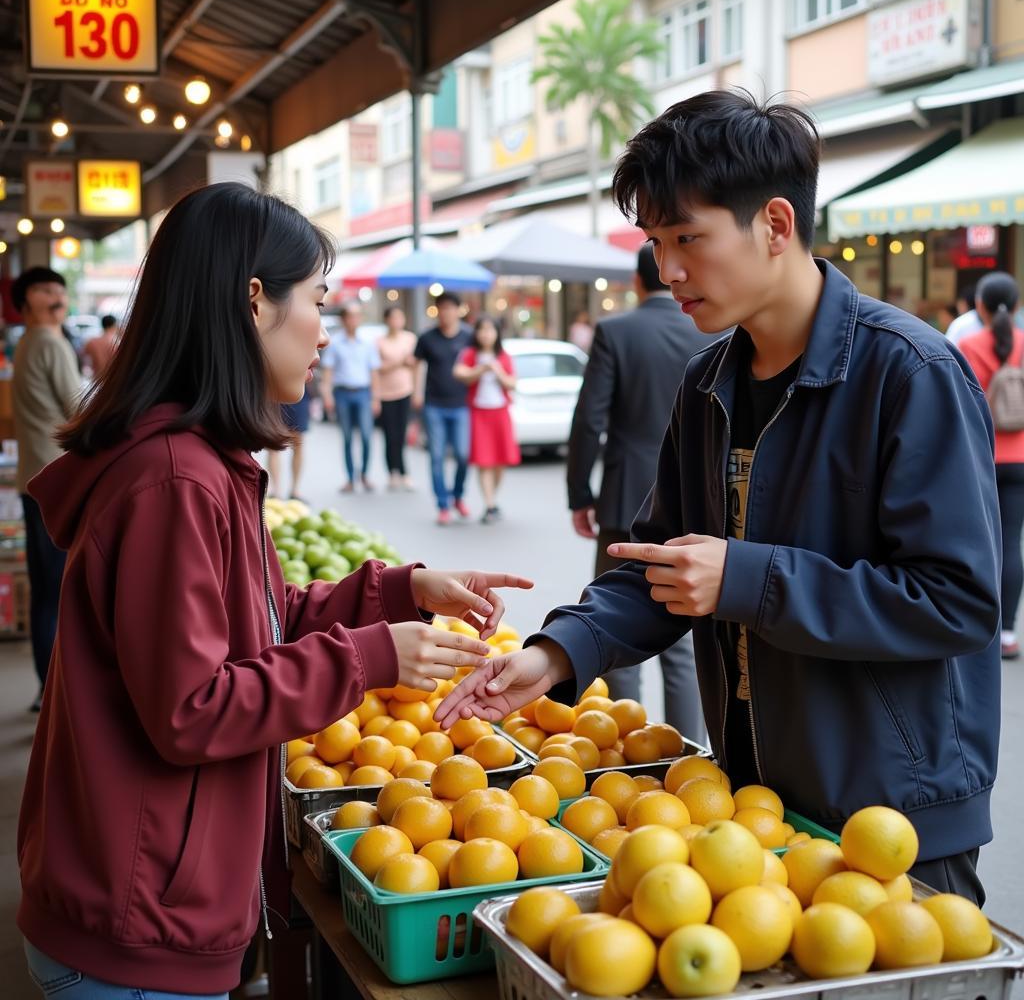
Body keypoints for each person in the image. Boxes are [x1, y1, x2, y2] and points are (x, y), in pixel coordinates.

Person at [438, 90, 1001, 906]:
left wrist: (748, 578)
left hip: (894, 825)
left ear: (775, 224)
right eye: (657, 242)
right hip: (748, 811)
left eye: (688, 239)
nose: (667, 270)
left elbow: (958, 602)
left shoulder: (909, 374)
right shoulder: (706, 382)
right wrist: (558, 655)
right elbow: (657, 566)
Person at [16, 182, 532, 999]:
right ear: (254, 301)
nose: (326, 334)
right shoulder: (175, 479)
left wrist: (402, 591)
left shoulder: (202, 462)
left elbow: (258, 618)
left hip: (142, 907)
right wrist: (372, 656)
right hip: (133, 932)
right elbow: (192, 706)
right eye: (318, 302)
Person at [566, 244, 716, 744]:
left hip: (626, 491)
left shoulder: (617, 331)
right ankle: (681, 749)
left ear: (635, 282)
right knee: (680, 640)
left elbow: (590, 419)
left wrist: (579, 492)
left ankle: (623, 742)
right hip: (696, 499)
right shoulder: (710, 332)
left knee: (618, 626)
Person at [11, 267, 81, 712]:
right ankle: (54, 692)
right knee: (59, 590)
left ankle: (45, 688)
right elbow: (79, 410)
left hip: (33, 479)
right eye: (43, 290)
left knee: (45, 587)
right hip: (55, 481)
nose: (55, 295)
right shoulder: (49, 342)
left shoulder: (25, 342)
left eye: (58, 288)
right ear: (25, 301)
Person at [958, 272, 1024, 660]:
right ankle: (1010, 634)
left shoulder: (968, 344)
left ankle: (984, 626)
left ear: (979, 306)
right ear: (1016, 306)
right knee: (1012, 542)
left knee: (982, 542)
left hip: (980, 455)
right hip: (1020, 458)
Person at [414, 291, 473, 525]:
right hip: (434, 404)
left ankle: (457, 495)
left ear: (458, 310)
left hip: (462, 404)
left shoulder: (469, 336)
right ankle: (442, 504)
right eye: (442, 308)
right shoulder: (428, 337)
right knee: (436, 456)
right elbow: (418, 366)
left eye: (450, 308)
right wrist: (417, 393)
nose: (446, 312)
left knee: (462, 455)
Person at [454, 316, 520, 523]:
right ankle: (490, 505)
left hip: (500, 412)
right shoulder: (470, 354)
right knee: (484, 461)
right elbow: (459, 374)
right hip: (478, 413)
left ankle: (493, 500)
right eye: (482, 330)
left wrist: (497, 370)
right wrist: (481, 369)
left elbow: (512, 383)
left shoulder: (504, 357)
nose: (486, 334)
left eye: (490, 330)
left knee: (500, 460)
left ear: (497, 333)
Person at [320, 303, 380, 492]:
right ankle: (350, 477)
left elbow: (374, 372)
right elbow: (328, 372)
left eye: (357, 316)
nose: (353, 320)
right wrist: (327, 395)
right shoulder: (335, 343)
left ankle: (364, 474)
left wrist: (376, 398)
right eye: (350, 316)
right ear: (344, 320)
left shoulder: (368, 343)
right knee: (346, 437)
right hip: (343, 393)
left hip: (363, 393)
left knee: (366, 436)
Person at [376, 305, 417, 491]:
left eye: (400, 318)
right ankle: (392, 471)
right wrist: (399, 362)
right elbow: (378, 369)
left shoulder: (410, 339)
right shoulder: (380, 342)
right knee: (389, 435)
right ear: (387, 320)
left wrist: (417, 391)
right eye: (393, 318)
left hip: (405, 391)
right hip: (386, 393)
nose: (397, 322)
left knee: (402, 434)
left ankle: (404, 471)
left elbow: (415, 365)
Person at [267, 384, 311, 500]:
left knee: (298, 444)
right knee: (273, 445)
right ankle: (276, 490)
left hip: (298, 394)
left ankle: (295, 490)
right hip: (274, 393)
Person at [82, 314, 119, 379]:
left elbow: (83, 358)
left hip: (96, 378)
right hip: (113, 378)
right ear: (114, 326)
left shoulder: (92, 342)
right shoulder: (117, 343)